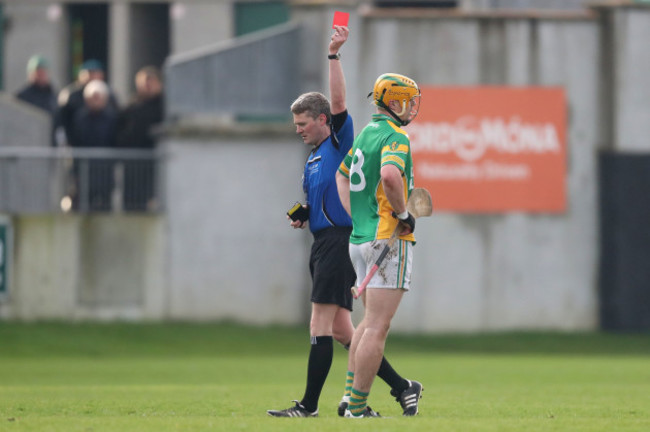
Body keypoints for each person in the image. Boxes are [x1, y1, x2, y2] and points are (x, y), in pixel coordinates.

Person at [266, 26, 421, 419]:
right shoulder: (317, 157)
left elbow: (338, 101)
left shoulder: (342, 138)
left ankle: (311, 406)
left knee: (328, 325)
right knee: (348, 330)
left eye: (303, 124)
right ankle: (397, 388)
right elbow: (330, 190)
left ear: (322, 121)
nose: (298, 130)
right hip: (333, 240)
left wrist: (333, 55)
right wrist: (305, 213)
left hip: (341, 241)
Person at [335, 73, 423, 418]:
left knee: (366, 323)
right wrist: (403, 212)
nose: (413, 107)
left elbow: (342, 176)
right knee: (376, 327)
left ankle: (348, 399)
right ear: (395, 102)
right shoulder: (394, 135)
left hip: (360, 239)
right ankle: (357, 408)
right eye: (409, 100)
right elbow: (389, 176)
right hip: (387, 239)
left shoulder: (366, 134)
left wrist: (358, 217)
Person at [116, 66, 164, 211]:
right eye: (144, 82)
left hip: (156, 162)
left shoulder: (166, 106)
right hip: (133, 163)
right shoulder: (131, 106)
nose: (147, 85)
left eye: (151, 81)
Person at [69, 79, 118, 210]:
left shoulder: (112, 118)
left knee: (105, 206)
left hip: (105, 171)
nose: (95, 101)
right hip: (85, 171)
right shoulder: (80, 118)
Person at [58, 59, 119, 146]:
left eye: (95, 73)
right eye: (90, 73)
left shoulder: (110, 94)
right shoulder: (71, 95)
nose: (92, 76)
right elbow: (64, 121)